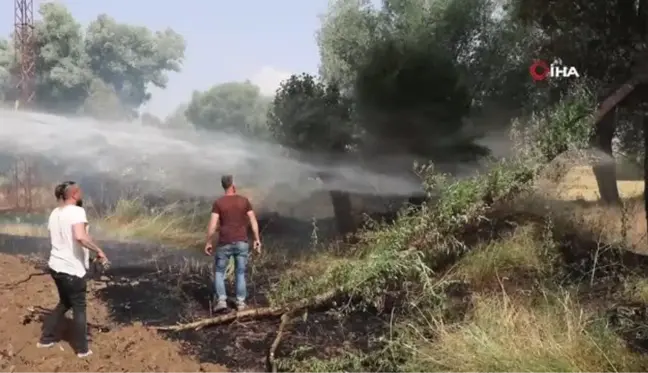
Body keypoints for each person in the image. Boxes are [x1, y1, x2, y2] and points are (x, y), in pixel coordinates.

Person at [37, 181, 108, 358]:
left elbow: (68, 237)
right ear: (75, 194)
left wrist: (86, 253)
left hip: (56, 266)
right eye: (80, 190)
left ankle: (46, 339)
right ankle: (83, 349)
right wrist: (98, 250)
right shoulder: (77, 211)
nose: (81, 192)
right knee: (79, 307)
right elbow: (79, 237)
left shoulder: (55, 213)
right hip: (71, 270)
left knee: (65, 302)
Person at [204, 175, 261, 312]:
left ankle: (222, 301)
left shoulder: (219, 203)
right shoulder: (244, 201)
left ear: (223, 186)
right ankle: (241, 303)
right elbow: (253, 221)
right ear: (233, 186)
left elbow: (212, 225)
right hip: (242, 242)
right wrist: (257, 239)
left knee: (219, 271)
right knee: (240, 272)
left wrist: (209, 241)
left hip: (224, 243)